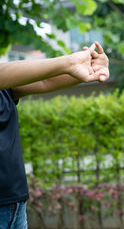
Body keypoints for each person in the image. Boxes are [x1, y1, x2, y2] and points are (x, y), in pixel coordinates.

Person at [0, 42, 109, 228]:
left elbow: (44, 80)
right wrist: (68, 61)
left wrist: (90, 67)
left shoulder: (6, 84)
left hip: (13, 204)